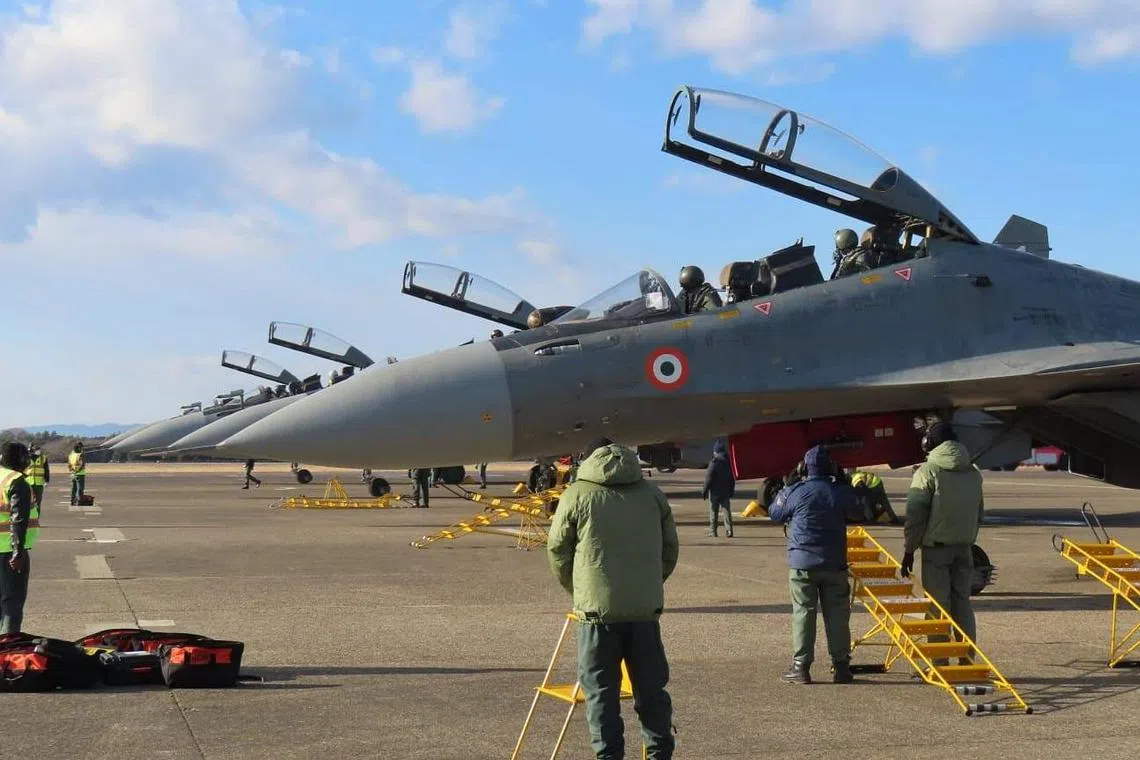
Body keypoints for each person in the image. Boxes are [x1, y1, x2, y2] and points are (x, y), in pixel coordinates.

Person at [546, 438, 679, 760]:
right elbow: (669, 549)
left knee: (601, 695)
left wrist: (579, 590)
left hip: (596, 614)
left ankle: (608, 756)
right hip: (644, 610)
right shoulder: (652, 494)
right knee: (651, 692)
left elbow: (557, 550)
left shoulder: (577, 494)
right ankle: (660, 753)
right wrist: (648, 584)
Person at [767, 445, 853, 685]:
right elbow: (859, 508)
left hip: (803, 563)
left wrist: (786, 486)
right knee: (837, 615)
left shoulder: (796, 491)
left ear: (804, 468)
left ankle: (801, 667)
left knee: (804, 612)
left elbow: (775, 512)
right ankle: (842, 666)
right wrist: (845, 482)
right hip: (835, 563)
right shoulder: (838, 491)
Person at [901, 422, 984, 654]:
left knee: (937, 607)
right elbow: (980, 514)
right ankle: (967, 657)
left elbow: (915, 516)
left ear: (929, 444)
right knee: (962, 603)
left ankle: (939, 660)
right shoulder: (974, 473)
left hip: (936, 550)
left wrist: (909, 551)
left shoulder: (927, 472)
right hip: (964, 548)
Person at [1, 441, 37, 634]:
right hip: (7, 551)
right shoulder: (16, 481)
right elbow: (19, 519)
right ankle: (7, 650)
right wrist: (18, 550)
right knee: (12, 602)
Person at [702, 440, 735, 538]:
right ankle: (729, 530)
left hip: (715, 492)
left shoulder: (714, 462)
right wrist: (731, 490)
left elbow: (708, 478)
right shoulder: (729, 463)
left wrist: (704, 491)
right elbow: (731, 479)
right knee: (726, 511)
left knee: (713, 511)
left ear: (715, 451)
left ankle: (713, 531)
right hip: (725, 491)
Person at [25, 444, 49, 512]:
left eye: (39, 450)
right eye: (37, 450)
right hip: (28, 483)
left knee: (38, 503)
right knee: (28, 502)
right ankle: (28, 519)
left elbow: (46, 469)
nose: (39, 451)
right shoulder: (26, 458)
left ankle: (36, 519)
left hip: (39, 484)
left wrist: (47, 480)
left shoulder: (43, 458)